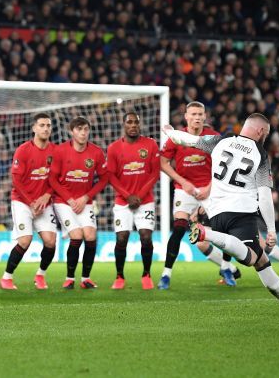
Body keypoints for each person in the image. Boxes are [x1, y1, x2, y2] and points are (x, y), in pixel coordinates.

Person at [164, 113, 279, 317]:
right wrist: (271, 229)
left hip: (216, 214)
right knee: (251, 258)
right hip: (241, 213)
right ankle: (206, 234)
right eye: (266, 134)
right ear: (260, 131)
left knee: (261, 261)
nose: (265, 138)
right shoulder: (260, 154)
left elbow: (189, 140)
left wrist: (171, 133)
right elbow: (265, 195)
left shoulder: (220, 140)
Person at [158, 101, 239, 289]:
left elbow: (225, 166)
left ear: (205, 117)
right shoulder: (176, 137)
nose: (197, 117)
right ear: (186, 117)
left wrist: (210, 187)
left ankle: (226, 268)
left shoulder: (214, 137)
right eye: (193, 114)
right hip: (184, 189)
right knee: (178, 228)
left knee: (225, 228)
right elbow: (163, 163)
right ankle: (166, 275)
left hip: (210, 189)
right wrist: (183, 181)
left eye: (200, 114)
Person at [0, 113, 58, 290]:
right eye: (42, 125)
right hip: (23, 201)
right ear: (34, 128)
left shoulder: (55, 151)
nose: (46, 128)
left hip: (44, 202)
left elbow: (57, 179)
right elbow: (16, 180)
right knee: (25, 240)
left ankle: (40, 275)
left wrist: (47, 196)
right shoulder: (23, 150)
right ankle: (6, 278)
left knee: (50, 242)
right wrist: (31, 202)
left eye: (48, 125)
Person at [48, 116, 109, 289]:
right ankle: (69, 278)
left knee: (90, 236)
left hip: (85, 202)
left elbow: (104, 179)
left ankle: (85, 279)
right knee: (76, 236)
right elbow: (52, 179)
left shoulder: (96, 152)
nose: (83, 133)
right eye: (79, 129)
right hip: (63, 202)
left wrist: (85, 197)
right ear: (71, 131)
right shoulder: (60, 151)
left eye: (85, 130)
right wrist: (69, 199)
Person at [106, 111, 161, 290]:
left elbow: (154, 174)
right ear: (124, 125)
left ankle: (146, 274)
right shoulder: (114, 148)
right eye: (129, 122)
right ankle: (119, 276)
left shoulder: (150, 144)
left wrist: (140, 195)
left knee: (146, 237)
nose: (133, 125)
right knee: (122, 238)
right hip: (123, 201)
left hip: (145, 201)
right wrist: (127, 195)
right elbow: (111, 176)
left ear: (140, 124)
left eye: (136, 122)